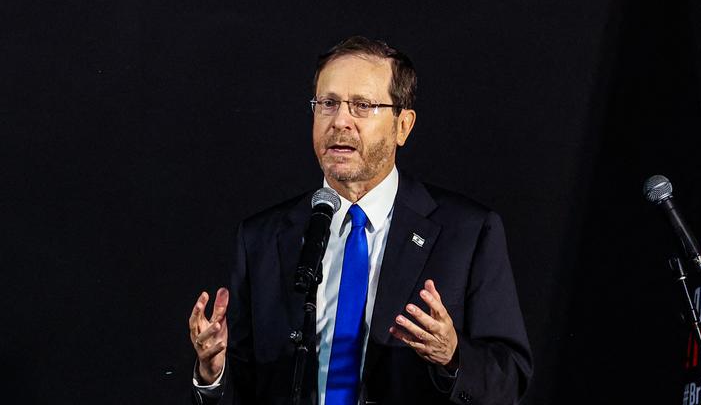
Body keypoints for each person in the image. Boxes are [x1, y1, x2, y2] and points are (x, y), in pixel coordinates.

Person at [188, 37, 532, 405]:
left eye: (362, 106)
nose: (340, 122)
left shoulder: (468, 233)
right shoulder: (262, 238)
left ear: (403, 125)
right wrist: (213, 375)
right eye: (328, 104)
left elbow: (509, 378)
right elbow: (245, 385)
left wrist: (453, 355)